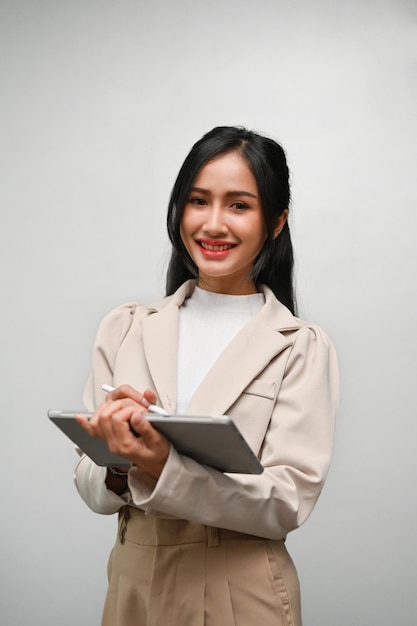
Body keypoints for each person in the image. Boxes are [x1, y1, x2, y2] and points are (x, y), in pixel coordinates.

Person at [74, 125, 339, 626]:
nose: (213, 223)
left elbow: (287, 501)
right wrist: (117, 462)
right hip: (133, 581)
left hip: (238, 587)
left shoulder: (300, 346)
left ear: (276, 222)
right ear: (179, 210)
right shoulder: (125, 327)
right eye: (198, 200)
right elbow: (88, 485)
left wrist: (162, 464)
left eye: (239, 205)